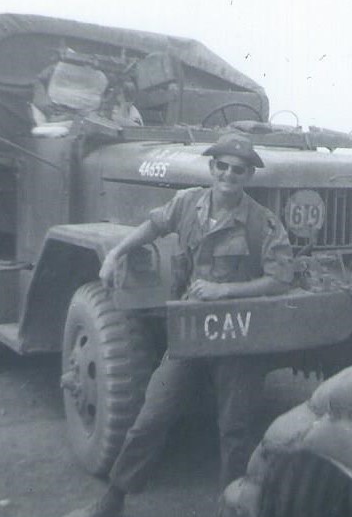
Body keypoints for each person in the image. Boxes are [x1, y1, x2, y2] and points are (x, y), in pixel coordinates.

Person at [64, 133, 293, 517]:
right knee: (151, 416)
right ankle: (114, 498)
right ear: (212, 168)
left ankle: (230, 509)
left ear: (248, 176)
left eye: (238, 170)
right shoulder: (188, 203)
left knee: (235, 430)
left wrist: (225, 291)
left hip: (239, 334)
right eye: (222, 167)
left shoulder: (262, 221)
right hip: (191, 332)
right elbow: (153, 225)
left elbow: (280, 278)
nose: (228, 175)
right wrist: (118, 251)